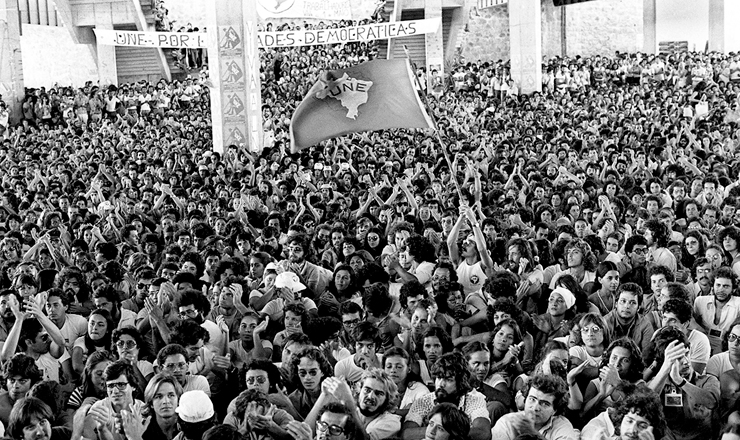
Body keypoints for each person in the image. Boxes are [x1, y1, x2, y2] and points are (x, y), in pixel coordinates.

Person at [402, 352, 491, 440]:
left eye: (449, 379)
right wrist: (444, 432)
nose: (441, 384)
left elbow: (483, 433)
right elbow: (407, 434)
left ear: (460, 383)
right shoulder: (423, 401)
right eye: (439, 378)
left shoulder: (474, 400)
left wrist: (444, 432)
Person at [304, 368, 401, 439]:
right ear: (359, 390)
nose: (371, 396)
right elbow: (307, 431)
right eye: (367, 390)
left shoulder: (392, 422)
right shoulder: (352, 410)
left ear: (388, 400)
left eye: (379, 393)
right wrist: (324, 395)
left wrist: (348, 401)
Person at [490, 374, 577, 440]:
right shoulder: (507, 422)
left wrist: (533, 433)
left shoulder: (561, 426)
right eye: (532, 399)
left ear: (555, 410)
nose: (535, 408)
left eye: (545, 404)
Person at [694, 267, 740, 355]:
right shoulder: (700, 302)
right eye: (718, 285)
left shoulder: (738, 304)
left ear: (733, 288)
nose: (721, 290)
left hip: (728, 351)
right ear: (713, 286)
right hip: (702, 348)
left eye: (726, 286)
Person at [0, 354, 43, 427]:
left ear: (32, 382)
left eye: (22, 381)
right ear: (6, 381)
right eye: (12, 380)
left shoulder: (41, 404)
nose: (16, 386)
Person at [142, 373, 183, 440]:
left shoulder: (188, 427)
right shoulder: (143, 429)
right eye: (159, 397)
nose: (166, 401)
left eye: (171, 395)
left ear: (178, 399)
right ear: (151, 403)